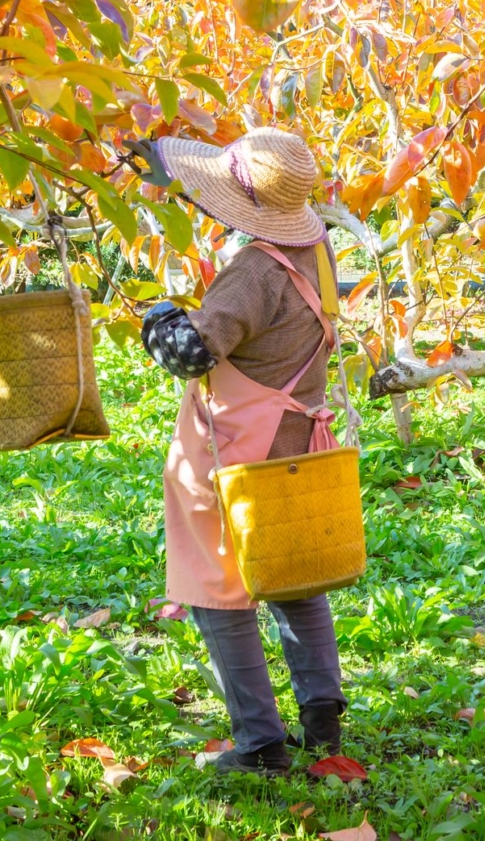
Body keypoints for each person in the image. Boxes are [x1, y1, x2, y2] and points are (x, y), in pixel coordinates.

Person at [131, 127, 348, 777]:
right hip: (299, 442)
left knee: (217, 590)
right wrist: (173, 177)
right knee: (294, 577)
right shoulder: (317, 251)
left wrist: (159, 319)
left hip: (235, 452)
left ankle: (259, 743)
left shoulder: (254, 270)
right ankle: (323, 719)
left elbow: (191, 351)